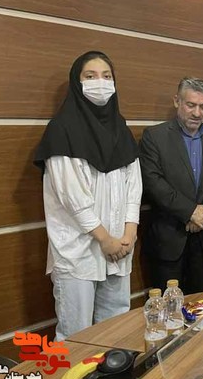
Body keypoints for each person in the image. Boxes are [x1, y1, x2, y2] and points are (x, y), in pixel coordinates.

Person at [34, 51, 141, 341]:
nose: (100, 83)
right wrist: (105, 239)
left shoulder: (120, 128)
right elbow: (72, 196)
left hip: (120, 247)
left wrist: (129, 233)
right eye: (90, 76)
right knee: (76, 336)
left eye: (107, 76)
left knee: (116, 333)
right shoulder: (62, 130)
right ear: (77, 82)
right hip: (79, 251)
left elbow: (134, 185)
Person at [139, 77, 203, 293]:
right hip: (168, 241)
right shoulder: (154, 137)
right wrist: (191, 212)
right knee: (168, 306)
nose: (197, 113)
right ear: (177, 101)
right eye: (191, 105)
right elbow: (153, 182)